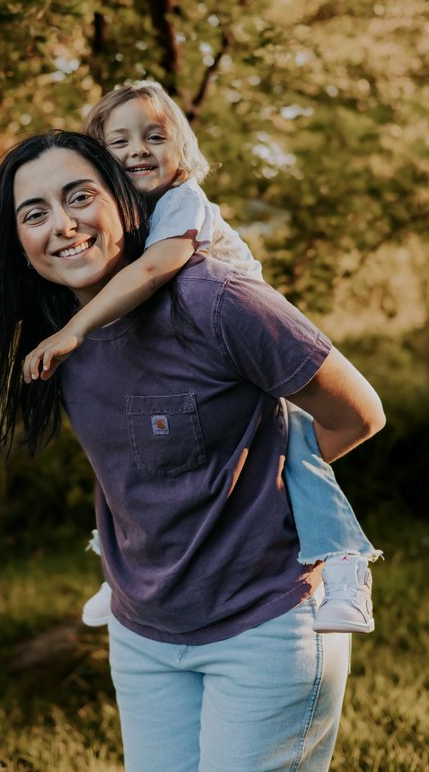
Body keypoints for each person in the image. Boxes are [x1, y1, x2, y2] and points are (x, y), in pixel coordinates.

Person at [0, 131, 386, 772]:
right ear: (20, 243)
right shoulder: (54, 334)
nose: (62, 225)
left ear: (124, 201)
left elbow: (357, 414)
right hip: (142, 634)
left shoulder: (216, 300)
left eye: (79, 196)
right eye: (35, 214)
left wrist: (262, 490)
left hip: (265, 624)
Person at [22, 82, 381, 634]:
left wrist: (76, 328)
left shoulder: (181, 202)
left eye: (155, 136)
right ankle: (115, 573)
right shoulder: (128, 211)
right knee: (136, 453)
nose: (138, 149)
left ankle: (344, 562)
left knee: (294, 452)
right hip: (205, 349)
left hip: (246, 347)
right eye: (119, 141)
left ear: (182, 148)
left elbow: (153, 270)